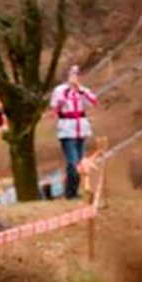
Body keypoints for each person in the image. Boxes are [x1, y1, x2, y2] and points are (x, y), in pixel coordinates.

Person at [50, 65, 98, 200]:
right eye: (72, 74)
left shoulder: (82, 90)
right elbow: (55, 106)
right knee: (73, 162)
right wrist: (68, 91)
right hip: (67, 130)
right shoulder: (60, 90)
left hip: (81, 129)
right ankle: (70, 193)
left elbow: (93, 101)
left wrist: (80, 89)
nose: (74, 77)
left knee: (80, 162)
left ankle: (73, 190)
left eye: (77, 74)